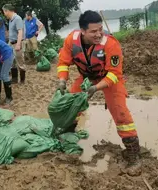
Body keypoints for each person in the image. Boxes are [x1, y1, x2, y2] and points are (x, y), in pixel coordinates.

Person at [56, 10, 141, 176]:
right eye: (93, 31)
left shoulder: (110, 44)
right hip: (86, 77)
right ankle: (68, 139)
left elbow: (114, 73)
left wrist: (96, 88)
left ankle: (134, 155)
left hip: (108, 79)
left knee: (121, 113)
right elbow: (63, 63)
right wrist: (61, 81)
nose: (98, 34)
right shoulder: (71, 41)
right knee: (72, 106)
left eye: (100, 29)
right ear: (83, 31)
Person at [2, 4, 26, 84]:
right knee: (12, 61)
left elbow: (20, 32)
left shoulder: (17, 18)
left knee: (20, 61)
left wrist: (18, 44)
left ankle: (22, 80)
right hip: (11, 43)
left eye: (4, 12)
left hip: (17, 42)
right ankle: (14, 78)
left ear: (7, 11)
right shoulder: (10, 20)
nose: (4, 14)